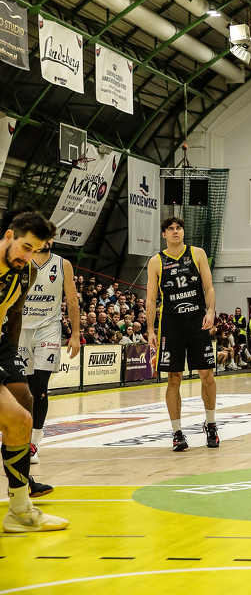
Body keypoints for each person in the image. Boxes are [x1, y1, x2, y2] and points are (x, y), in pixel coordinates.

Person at [0, 211, 68, 533]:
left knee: (24, 404)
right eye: (26, 247)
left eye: (36, 250)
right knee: (18, 417)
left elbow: (12, 312)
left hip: (1, 341)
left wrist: (9, 357)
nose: (28, 256)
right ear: (9, 236)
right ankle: (19, 509)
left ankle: (20, 500)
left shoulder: (25, 273)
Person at [146, 216, 217, 453]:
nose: (175, 231)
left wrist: (210, 311)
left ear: (183, 232)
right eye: (170, 229)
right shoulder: (156, 261)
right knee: (174, 377)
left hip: (197, 320)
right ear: (164, 234)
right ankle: (177, 432)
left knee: (207, 374)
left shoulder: (197, 254)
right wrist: (150, 329)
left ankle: (211, 424)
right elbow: (150, 299)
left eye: (178, 228)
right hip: (171, 323)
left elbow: (208, 287)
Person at [17, 231, 80, 465]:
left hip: (49, 328)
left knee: (40, 387)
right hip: (21, 330)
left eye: (49, 236)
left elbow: (71, 300)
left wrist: (75, 334)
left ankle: (34, 441)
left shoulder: (63, 265)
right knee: (24, 390)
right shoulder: (21, 262)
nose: (46, 240)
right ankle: (21, 437)